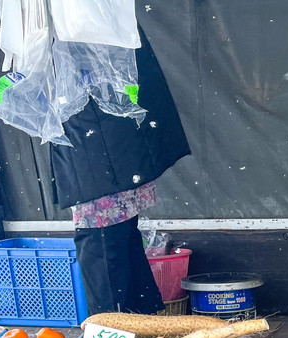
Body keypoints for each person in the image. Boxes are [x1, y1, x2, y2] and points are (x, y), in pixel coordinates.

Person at [50, 24, 190, 316]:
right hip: (110, 119)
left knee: (101, 233)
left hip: (97, 124)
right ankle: (139, 320)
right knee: (120, 229)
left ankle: (110, 332)